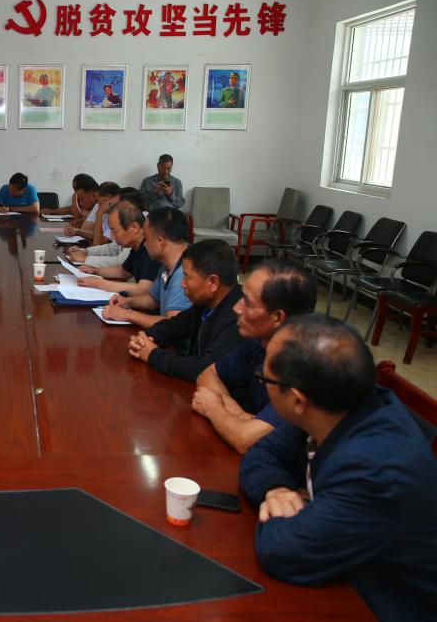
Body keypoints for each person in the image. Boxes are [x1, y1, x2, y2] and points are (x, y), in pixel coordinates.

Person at [239, 314, 437, 620]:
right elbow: (261, 454)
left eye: (265, 379)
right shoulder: (332, 404)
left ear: (297, 400)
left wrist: (291, 511)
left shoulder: (375, 470)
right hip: (345, 567)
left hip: (381, 604)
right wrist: (276, 489)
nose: (263, 385)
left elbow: (280, 551)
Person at [191, 259, 317, 452]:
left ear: (278, 317)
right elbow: (207, 375)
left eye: (248, 303)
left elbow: (244, 440)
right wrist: (235, 411)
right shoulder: (260, 341)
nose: (236, 308)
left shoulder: (304, 366)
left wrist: (213, 406)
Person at [126, 239, 244, 381]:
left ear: (213, 282)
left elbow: (206, 368)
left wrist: (152, 354)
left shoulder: (241, 318)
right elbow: (175, 325)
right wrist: (146, 338)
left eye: (187, 277)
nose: (182, 284)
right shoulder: (206, 303)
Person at [99, 206, 193, 328]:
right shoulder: (166, 266)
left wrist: (127, 315)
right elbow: (153, 299)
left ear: (160, 241)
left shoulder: (186, 272)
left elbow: (172, 324)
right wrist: (128, 302)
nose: (144, 245)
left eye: (147, 238)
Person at [76, 199, 160, 299]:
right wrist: (95, 271)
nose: (112, 236)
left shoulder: (150, 249)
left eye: (114, 231)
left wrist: (99, 283)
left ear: (134, 227)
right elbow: (124, 271)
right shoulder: (136, 246)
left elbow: (143, 289)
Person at [65, 180, 118, 246]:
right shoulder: (108, 211)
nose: (97, 204)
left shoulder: (118, 215)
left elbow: (98, 242)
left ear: (108, 198)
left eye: (98, 200)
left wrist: (99, 213)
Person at [61, 176, 101, 242]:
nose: (81, 203)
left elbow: (102, 238)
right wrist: (81, 220)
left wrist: (78, 231)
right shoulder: (96, 205)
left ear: (93, 195)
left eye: (82, 199)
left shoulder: (102, 205)